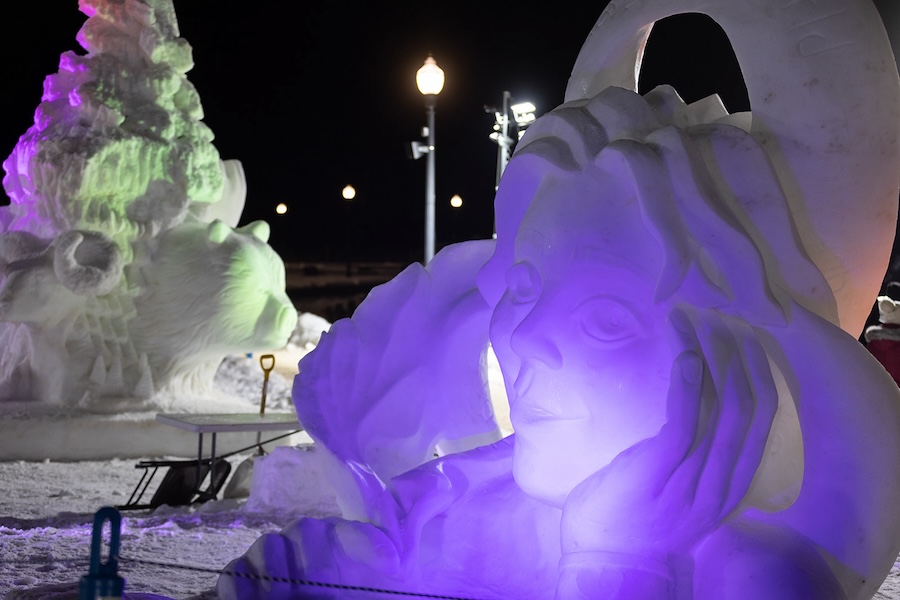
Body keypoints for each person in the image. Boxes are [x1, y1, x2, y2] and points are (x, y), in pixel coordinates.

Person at [218, 86, 900, 600]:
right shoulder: (458, 506)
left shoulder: (758, 580)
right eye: (521, 289)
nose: (526, 338)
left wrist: (623, 561)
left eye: (605, 320)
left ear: (729, 361)